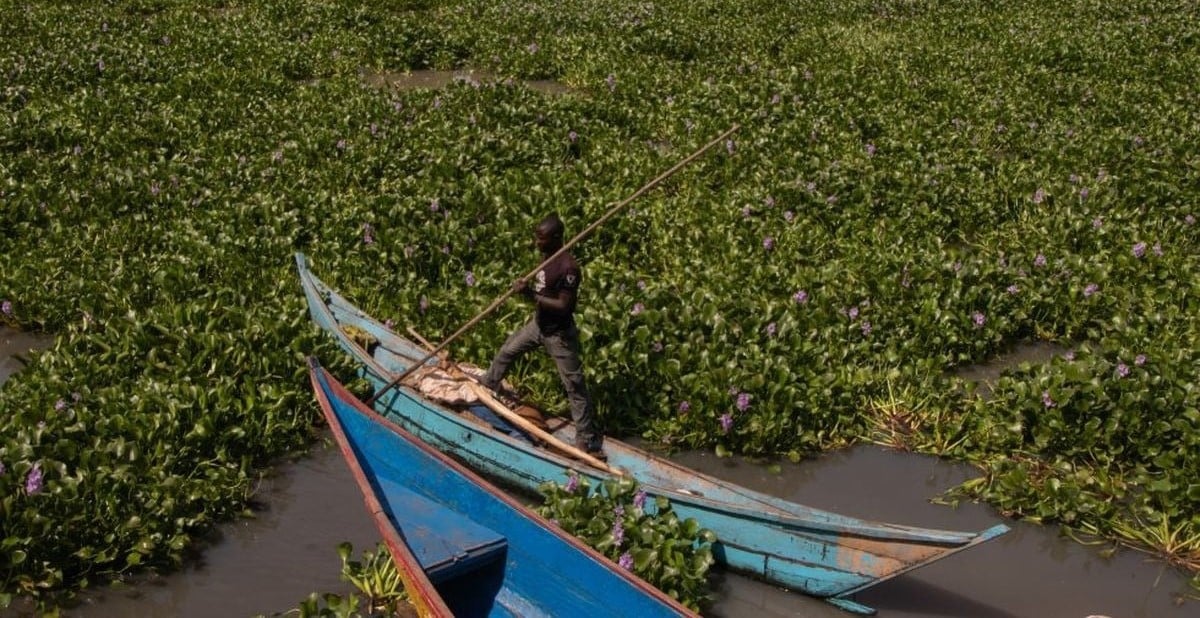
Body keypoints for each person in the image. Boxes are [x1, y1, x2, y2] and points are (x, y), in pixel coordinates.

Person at [482, 214, 603, 458]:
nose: (536, 242)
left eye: (541, 238)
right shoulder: (548, 256)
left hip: (558, 334)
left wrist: (529, 295)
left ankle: (586, 440)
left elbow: (563, 306)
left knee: (574, 385)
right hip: (538, 325)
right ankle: (487, 387)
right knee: (507, 352)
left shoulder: (568, 268)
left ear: (556, 238)